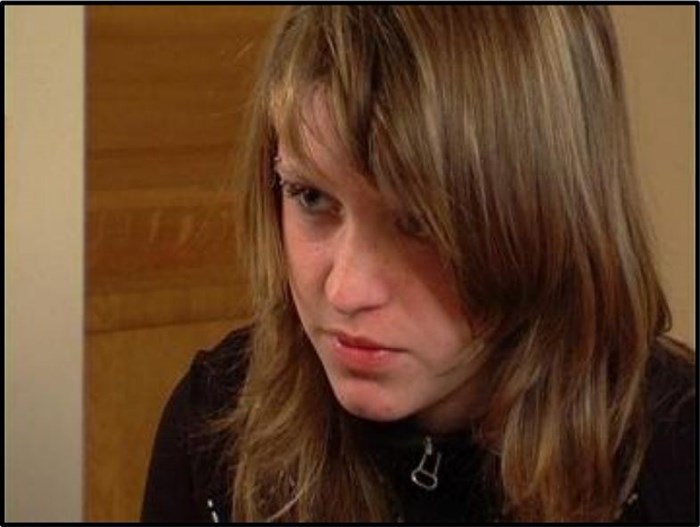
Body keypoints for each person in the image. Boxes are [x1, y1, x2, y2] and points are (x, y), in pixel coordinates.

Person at [141, 5, 696, 523]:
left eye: (419, 222)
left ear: (546, 216)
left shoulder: (677, 455)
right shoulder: (216, 426)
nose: (346, 290)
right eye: (311, 197)